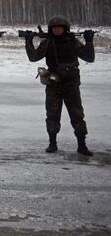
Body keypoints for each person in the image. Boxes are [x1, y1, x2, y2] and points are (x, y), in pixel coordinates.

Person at [24, 15, 95, 156]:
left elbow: (89, 58)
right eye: (54, 27)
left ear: (65, 28)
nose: (56, 29)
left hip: (71, 84)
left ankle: (82, 145)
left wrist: (89, 41)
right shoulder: (47, 43)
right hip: (53, 84)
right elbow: (33, 58)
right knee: (52, 114)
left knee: (77, 114)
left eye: (59, 27)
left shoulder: (72, 41)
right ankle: (52, 143)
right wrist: (28, 42)